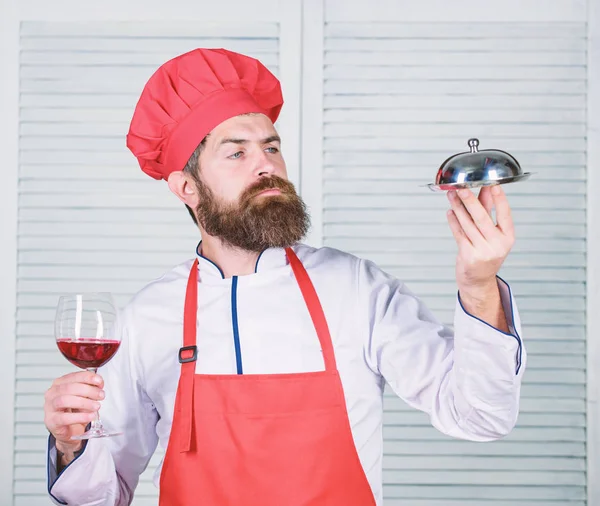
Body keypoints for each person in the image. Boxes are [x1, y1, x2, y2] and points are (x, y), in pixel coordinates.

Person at [44, 48, 526, 506]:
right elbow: (101, 497)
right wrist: (70, 444)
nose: (267, 166)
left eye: (271, 147)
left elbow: (480, 415)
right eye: (237, 154)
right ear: (187, 187)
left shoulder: (356, 289)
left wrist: (479, 286)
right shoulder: (149, 316)